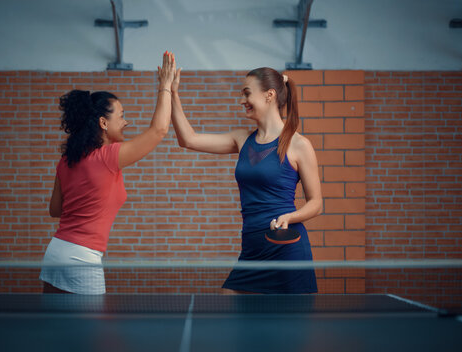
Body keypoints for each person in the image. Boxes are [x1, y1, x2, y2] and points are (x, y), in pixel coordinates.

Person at [170, 65, 322, 294]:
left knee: (289, 327)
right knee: (229, 301)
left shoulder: (299, 145)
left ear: (269, 95)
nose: (241, 100)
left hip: (287, 251)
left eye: (247, 93)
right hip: (252, 249)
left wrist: (290, 216)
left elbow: (316, 203)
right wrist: (172, 93)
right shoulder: (242, 139)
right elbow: (188, 139)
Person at [40, 51, 176, 294]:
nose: (126, 122)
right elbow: (159, 130)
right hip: (81, 259)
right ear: (103, 123)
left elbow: (55, 210)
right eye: (122, 116)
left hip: (56, 252)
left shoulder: (66, 160)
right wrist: (165, 86)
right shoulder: (108, 157)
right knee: (96, 331)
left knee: (57, 330)